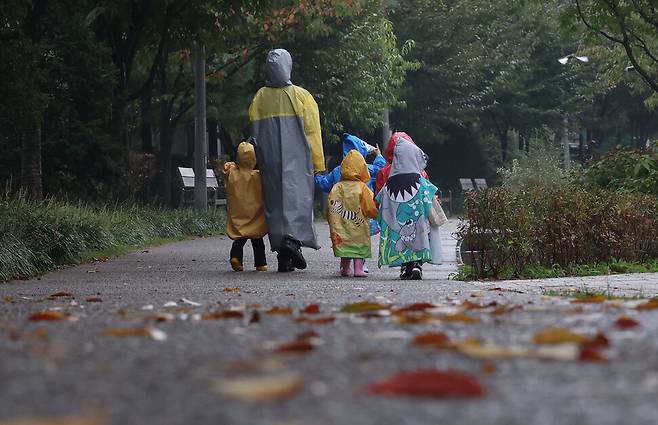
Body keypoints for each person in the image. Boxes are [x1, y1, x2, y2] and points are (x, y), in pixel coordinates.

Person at [248, 49, 325, 272]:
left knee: (276, 204)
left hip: (270, 162)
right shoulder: (302, 96)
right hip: (300, 161)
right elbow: (313, 132)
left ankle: (283, 252)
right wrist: (318, 164)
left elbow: (254, 131)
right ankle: (293, 242)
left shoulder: (260, 97)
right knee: (298, 201)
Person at [376, 137, 438, 280]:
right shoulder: (420, 181)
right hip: (418, 220)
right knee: (419, 239)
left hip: (398, 223)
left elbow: (380, 199)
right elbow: (430, 196)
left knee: (401, 240)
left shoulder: (389, 184)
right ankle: (417, 264)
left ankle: (406, 267)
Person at [327, 150, 378, 277]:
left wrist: (328, 218)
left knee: (344, 244)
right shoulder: (362, 188)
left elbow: (329, 206)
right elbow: (369, 207)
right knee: (358, 245)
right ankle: (358, 269)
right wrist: (376, 215)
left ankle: (345, 268)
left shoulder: (336, 187)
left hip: (340, 224)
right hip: (358, 224)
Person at [222, 140, 268, 272]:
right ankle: (260, 263)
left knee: (240, 238)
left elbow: (226, 169)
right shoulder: (258, 175)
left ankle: (235, 256)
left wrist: (232, 164)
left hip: (239, 212)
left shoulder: (233, 173)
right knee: (257, 239)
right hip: (255, 214)